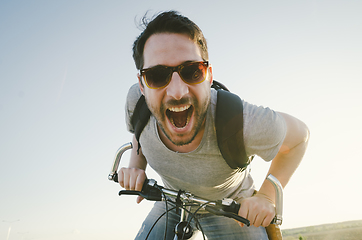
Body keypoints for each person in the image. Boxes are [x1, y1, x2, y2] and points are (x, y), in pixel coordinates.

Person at [119, 11, 309, 240]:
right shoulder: (137, 104)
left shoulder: (242, 121)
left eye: (192, 71)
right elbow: (140, 134)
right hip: (171, 200)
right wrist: (136, 165)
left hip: (229, 208)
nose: (177, 92)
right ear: (142, 85)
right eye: (157, 76)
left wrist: (268, 196)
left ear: (208, 76)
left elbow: (300, 137)